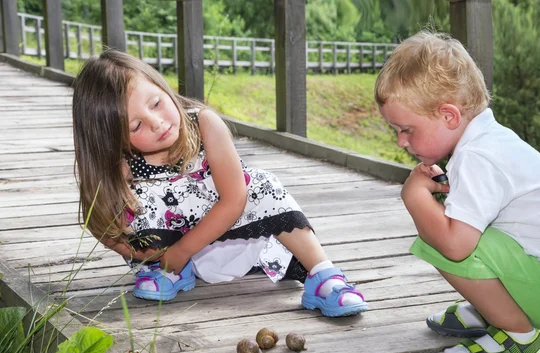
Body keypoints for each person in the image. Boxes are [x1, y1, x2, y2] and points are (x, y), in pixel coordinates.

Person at [71, 49, 368, 317]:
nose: (157, 122)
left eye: (157, 103)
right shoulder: (123, 164)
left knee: (261, 183)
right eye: (136, 126)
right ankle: (168, 273)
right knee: (130, 203)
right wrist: (154, 257)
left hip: (241, 238)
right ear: (114, 139)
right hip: (173, 261)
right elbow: (99, 221)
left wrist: (183, 250)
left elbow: (235, 199)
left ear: (163, 86)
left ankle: (323, 275)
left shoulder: (204, 124)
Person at [375, 31, 540, 353]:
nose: (402, 141)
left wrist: (414, 197)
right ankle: (492, 309)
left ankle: (520, 339)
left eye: (406, 129)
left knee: (438, 238)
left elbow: (455, 246)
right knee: (444, 225)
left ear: (449, 115)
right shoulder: (487, 141)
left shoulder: (477, 157)